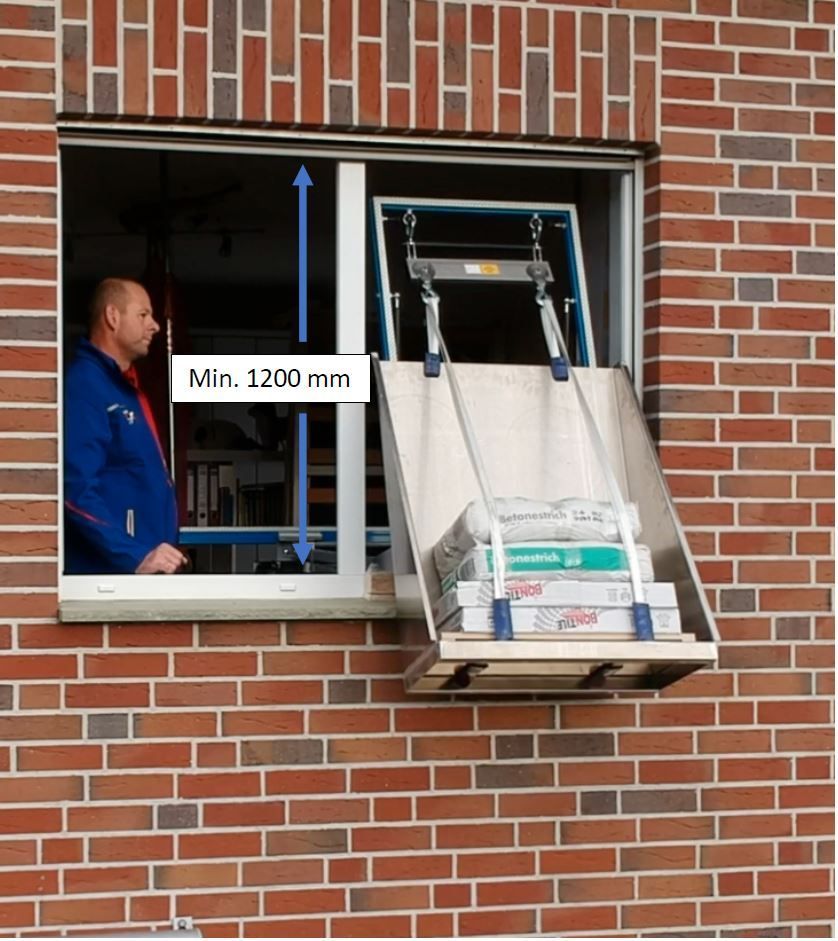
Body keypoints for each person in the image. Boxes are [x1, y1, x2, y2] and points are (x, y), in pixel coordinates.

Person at [64, 277, 187, 574]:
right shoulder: (86, 384)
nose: (155, 325)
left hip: (135, 572)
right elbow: (74, 489)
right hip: (110, 577)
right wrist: (134, 555)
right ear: (112, 317)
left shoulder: (123, 386)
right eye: (143, 315)